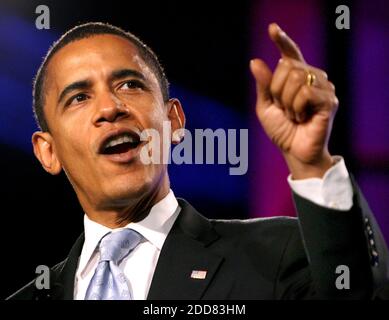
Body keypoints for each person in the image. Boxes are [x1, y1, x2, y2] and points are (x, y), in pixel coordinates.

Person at [7, 21, 389, 300]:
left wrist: (312, 163)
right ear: (48, 151)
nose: (110, 107)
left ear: (173, 122)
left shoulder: (277, 254)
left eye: (130, 85)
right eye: (79, 97)